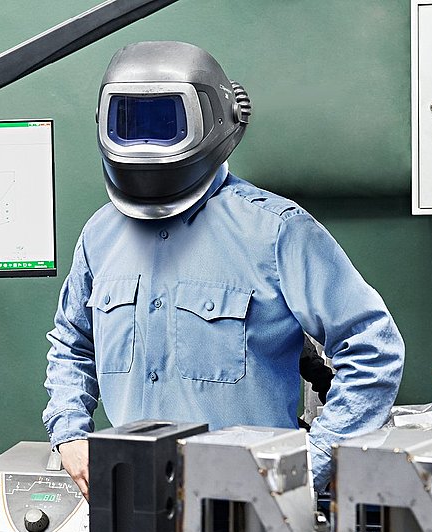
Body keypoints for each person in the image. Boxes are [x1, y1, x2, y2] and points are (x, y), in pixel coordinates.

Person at [42, 42, 403, 496]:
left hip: (249, 505)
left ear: (214, 118)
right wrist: (70, 433)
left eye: (165, 122)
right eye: (132, 122)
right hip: (131, 499)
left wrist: (310, 464)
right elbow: (72, 343)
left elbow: (374, 347)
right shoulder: (99, 236)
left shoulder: (276, 232)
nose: (147, 142)